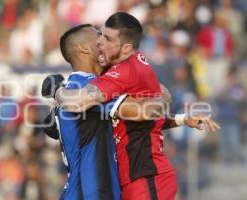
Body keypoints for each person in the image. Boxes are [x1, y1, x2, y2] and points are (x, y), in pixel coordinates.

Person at [46, 13, 220, 200]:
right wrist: (162, 101)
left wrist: (55, 90)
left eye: (105, 37)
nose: (101, 41)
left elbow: (143, 114)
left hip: (138, 177)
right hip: (103, 189)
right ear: (83, 48)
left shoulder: (109, 79)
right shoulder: (89, 85)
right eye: (98, 35)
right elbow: (146, 110)